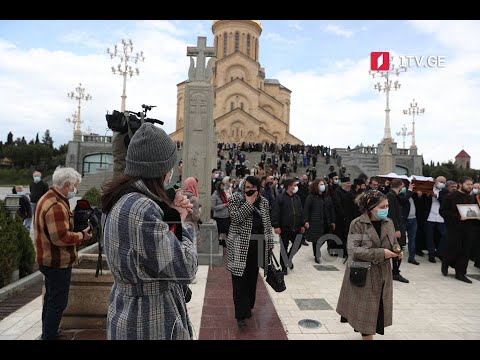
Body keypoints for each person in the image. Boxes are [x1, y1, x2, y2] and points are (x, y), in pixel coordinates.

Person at [101, 123, 197, 340]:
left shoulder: (119, 198)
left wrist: (171, 215)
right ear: (163, 171)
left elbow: (149, 253)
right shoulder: (141, 208)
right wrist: (182, 222)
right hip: (149, 320)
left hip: (126, 311)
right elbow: (185, 268)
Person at [34, 166, 93, 340]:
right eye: (74, 186)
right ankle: (50, 336)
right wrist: (82, 235)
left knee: (51, 299)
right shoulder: (56, 205)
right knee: (58, 302)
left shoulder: (49, 198)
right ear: (67, 185)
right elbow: (61, 237)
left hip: (48, 259)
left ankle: (48, 333)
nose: (75, 190)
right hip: (56, 261)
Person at [336, 190, 401, 340]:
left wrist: (396, 250)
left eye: (387, 206)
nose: (386, 209)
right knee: (366, 312)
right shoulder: (358, 224)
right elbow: (354, 249)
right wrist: (381, 253)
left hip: (383, 274)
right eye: (383, 206)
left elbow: (394, 243)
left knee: (377, 309)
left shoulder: (388, 223)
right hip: (364, 274)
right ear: (371, 208)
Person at [226, 176, 274, 328]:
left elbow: (267, 224)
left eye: (252, 187)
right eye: (246, 187)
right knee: (239, 281)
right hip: (239, 247)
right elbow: (235, 218)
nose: (249, 190)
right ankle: (240, 315)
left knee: (252, 280)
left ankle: (248, 308)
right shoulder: (235, 199)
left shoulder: (264, 202)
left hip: (257, 246)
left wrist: (270, 244)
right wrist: (249, 203)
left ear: (258, 187)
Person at [439, 177, 475, 283]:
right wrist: (457, 217)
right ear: (460, 184)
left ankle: (460, 273)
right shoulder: (450, 197)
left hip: (468, 228)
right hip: (454, 228)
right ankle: (446, 262)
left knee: (465, 250)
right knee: (454, 248)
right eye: (468, 184)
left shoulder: (471, 198)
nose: (470, 186)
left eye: (471, 184)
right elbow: (443, 212)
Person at [271, 179, 306, 275]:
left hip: (296, 227)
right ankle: (284, 267)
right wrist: (276, 225)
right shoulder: (280, 198)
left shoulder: (297, 198)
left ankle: (288, 260)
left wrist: (303, 224)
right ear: (289, 186)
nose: (296, 187)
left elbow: (301, 212)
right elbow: (275, 212)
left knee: (297, 244)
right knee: (284, 248)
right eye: (294, 185)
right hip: (284, 228)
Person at [304, 179, 335, 263]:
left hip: (326, 221)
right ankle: (316, 255)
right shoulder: (311, 197)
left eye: (324, 184)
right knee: (316, 239)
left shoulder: (327, 197)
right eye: (321, 184)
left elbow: (331, 209)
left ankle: (317, 250)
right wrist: (306, 221)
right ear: (316, 186)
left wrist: (332, 221)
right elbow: (306, 209)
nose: (323, 186)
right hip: (315, 221)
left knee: (325, 237)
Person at [386, 179, 409, 283]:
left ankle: (395, 271)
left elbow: (404, 201)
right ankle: (395, 272)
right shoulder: (390, 196)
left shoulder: (395, 195)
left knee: (398, 249)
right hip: (396, 227)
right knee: (397, 249)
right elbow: (392, 214)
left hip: (399, 225)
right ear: (400, 186)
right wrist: (396, 229)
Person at [183, 177, 201, 246]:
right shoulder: (194, 199)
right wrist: (199, 211)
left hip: (182, 226)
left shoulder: (181, 196)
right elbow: (195, 217)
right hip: (191, 227)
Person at [212, 180, 231, 247]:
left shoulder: (224, 194)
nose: (223, 187)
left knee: (226, 231)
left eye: (223, 186)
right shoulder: (214, 195)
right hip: (219, 217)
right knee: (220, 231)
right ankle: (220, 242)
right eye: (221, 186)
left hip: (226, 216)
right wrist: (223, 206)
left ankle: (223, 241)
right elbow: (213, 207)